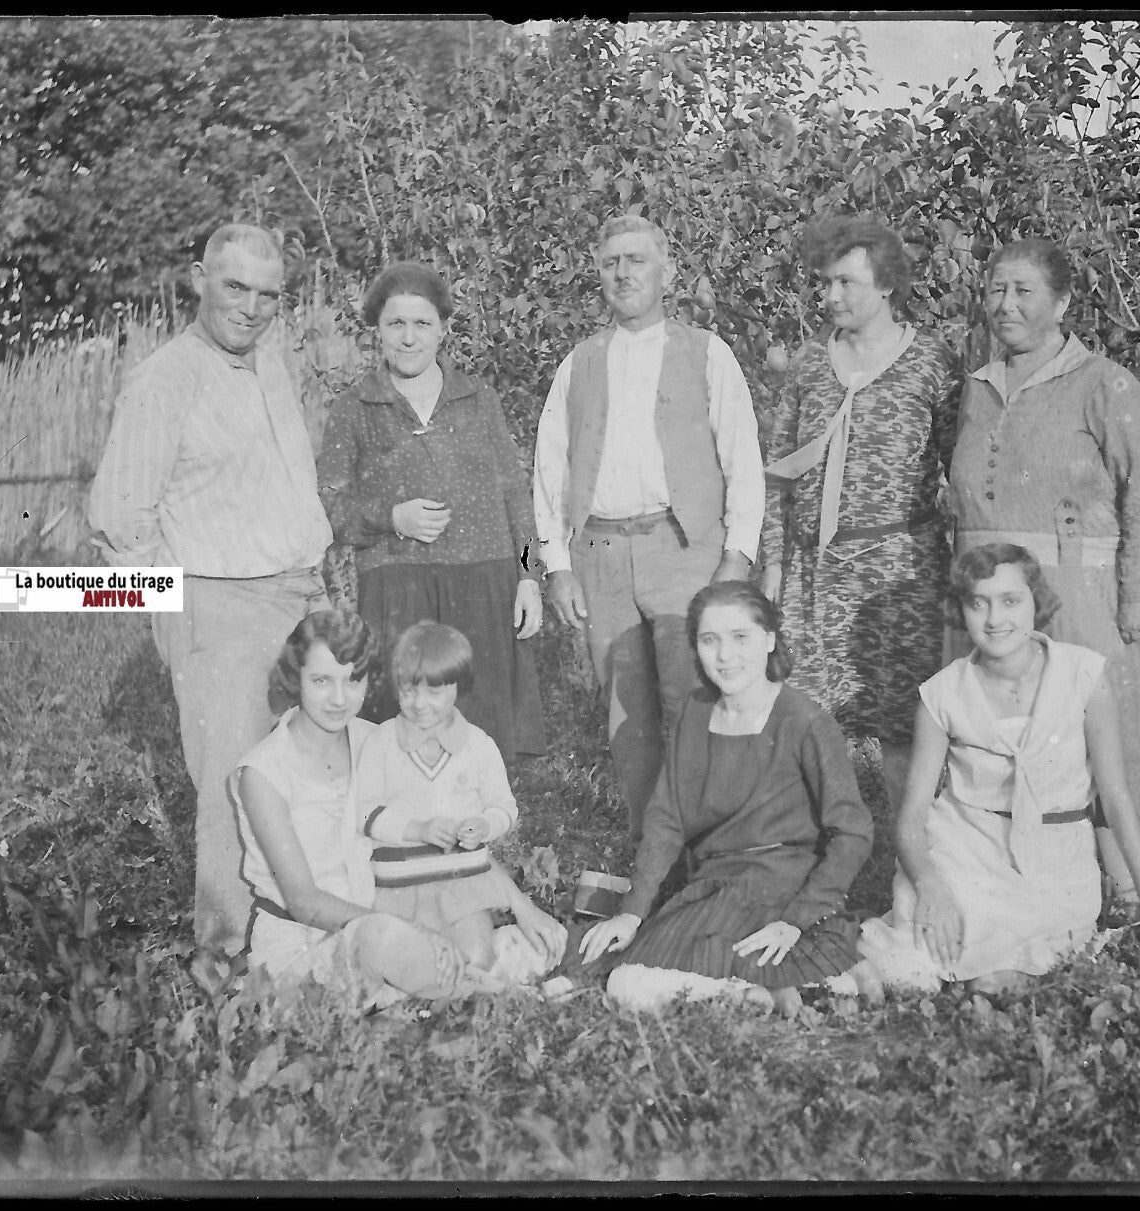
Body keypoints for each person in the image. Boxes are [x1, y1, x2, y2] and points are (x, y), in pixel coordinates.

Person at [89, 223, 332, 955]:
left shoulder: (271, 364)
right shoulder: (166, 378)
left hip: (299, 595)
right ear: (199, 278)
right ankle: (226, 954)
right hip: (219, 602)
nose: (252, 307)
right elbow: (119, 521)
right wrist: (181, 614)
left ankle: (299, 939)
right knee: (236, 785)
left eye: (268, 294)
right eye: (235, 287)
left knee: (304, 772)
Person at [949, 237, 1140, 918]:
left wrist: (1137, 594)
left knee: (1104, 732)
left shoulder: (1104, 382)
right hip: (991, 598)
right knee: (1001, 735)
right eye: (995, 289)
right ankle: (1019, 880)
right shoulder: (977, 388)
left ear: (1063, 303)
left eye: (1023, 291)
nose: (1005, 304)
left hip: (1080, 593)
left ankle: (1129, 889)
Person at [533, 215, 766, 844]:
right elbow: (546, 471)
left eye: (637, 260)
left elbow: (744, 459)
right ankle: (652, 859)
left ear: (666, 270)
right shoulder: (577, 364)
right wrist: (552, 567)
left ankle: (715, 853)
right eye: (611, 263)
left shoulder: (706, 352)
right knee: (626, 717)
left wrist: (737, 559)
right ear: (599, 275)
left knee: (695, 703)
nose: (624, 273)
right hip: (600, 554)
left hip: (684, 550)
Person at [854, 545, 1140, 995]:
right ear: (960, 610)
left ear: (1036, 602)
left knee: (1025, 953)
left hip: (1055, 859)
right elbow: (910, 817)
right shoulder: (941, 695)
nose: (994, 619)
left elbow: (1117, 800)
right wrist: (931, 887)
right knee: (927, 940)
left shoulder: (1082, 675)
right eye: (977, 603)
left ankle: (992, 971)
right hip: (966, 849)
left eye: (1010, 600)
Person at [232, 610, 567, 1006]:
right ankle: (504, 995)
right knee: (387, 941)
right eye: (322, 681)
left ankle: (449, 979)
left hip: (388, 916)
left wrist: (522, 905)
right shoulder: (264, 772)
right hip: (308, 942)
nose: (339, 699)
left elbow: (442, 842)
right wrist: (411, 931)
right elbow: (304, 902)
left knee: (450, 939)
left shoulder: (377, 742)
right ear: (295, 679)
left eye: (353, 679)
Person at [577, 582, 874, 1015]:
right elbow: (666, 821)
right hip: (715, 883)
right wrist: (633, 912)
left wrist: (797, 918)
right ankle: (755, 991)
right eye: (709, 640)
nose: (725, 656)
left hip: (783, 884)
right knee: (627, 980)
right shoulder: (695, 712)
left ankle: (773, 984)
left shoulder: (806, 721)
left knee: (642, 982)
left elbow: (853, 832)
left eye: (741, 638)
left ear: (770, 640)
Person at [760, 215, 961, 815]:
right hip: (813, 573)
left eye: (847, 282)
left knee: (903, 723)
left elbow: (962, 466)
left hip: (901, 573)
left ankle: (911, 858)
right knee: (804, 721)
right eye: (825, 283)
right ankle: (818, 854)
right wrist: (773, 562)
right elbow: (779, 473)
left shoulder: (930, 361)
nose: (831, 296)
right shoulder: (807, 363)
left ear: (887, 285)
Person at [317, 262, 544, 763]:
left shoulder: (479, 398)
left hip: (484, 578)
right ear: (377, 329)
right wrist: (390, 518)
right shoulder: (354, 407)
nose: (409, 338)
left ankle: (480, 828)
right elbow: (329, 503)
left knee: (482, 723)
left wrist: (529, 577)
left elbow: (516, 494)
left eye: (422, 324)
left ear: (442, 329)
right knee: (406, 718)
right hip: (397, 583)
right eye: (396, 324)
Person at [357, 622, 518, 972]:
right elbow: (363, 811)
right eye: (409, 691)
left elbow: (504, 808)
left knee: (476, 962)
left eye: (434, 692)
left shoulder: (478, 745)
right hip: (398, 888)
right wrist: (416, 829)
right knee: (401, 971)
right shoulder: (382, 742)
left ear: (457, 686)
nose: (419, 704)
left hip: (460, 887)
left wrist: (484, 824)